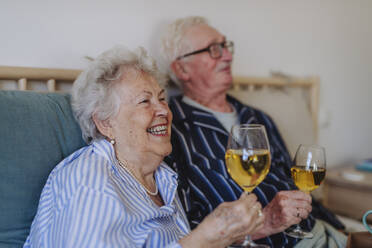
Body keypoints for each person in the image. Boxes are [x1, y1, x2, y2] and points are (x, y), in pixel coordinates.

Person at [23, 45, 264, 248]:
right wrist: (201, 241)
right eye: (144, 101)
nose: (163, 110)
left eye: (161, 98)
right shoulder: (91, 180)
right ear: (105, 123)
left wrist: (253, 227)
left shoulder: (162, 178)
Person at [161, 16, 347, 247]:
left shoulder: (258, 117)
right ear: (181, 68)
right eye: (214, 49)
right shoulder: (170, 128)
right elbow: (187, 226)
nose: (228, 56)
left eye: (226, 46)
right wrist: (265, 222)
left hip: (318, 233)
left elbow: (296, 183)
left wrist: (342, 230)